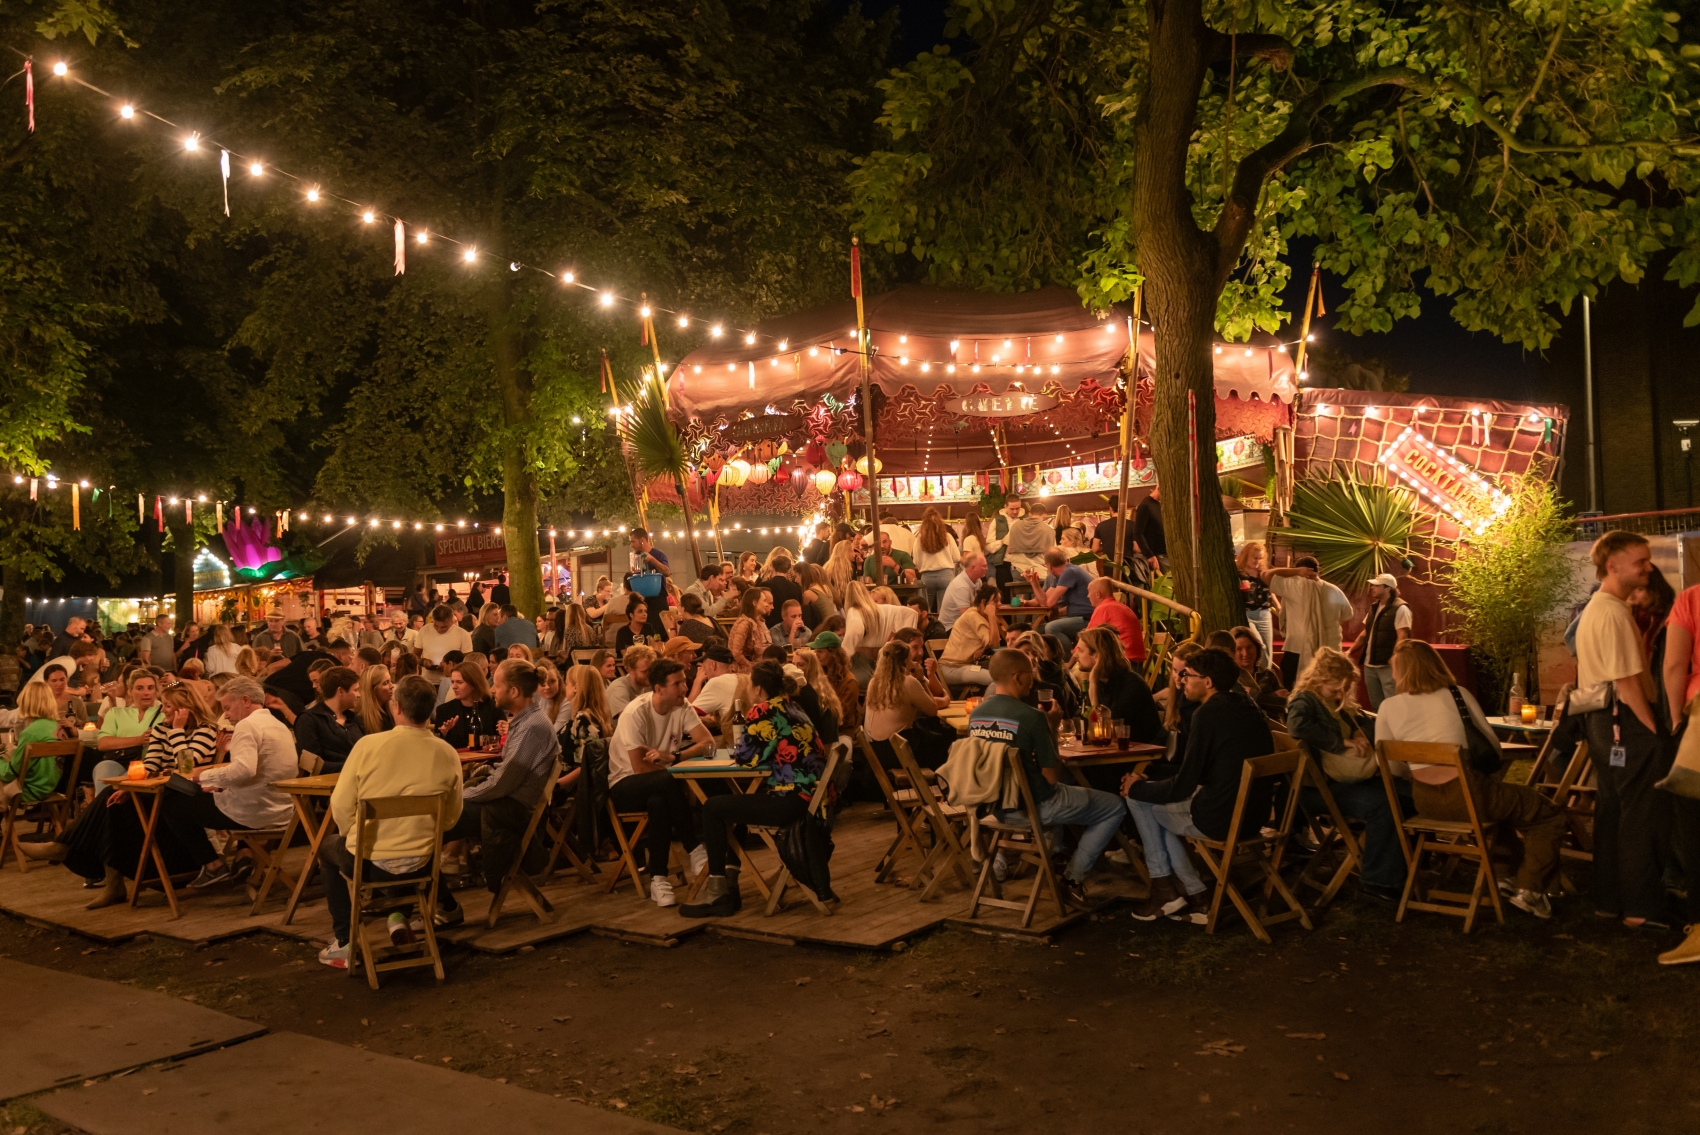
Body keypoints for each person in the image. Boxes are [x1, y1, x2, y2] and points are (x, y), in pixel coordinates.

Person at [1377, 639, 1565, 917]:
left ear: (1401, 672)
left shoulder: (1388, 707)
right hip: (1471, 796)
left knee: (1497, 810)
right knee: (1548, 814)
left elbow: (1391, 768)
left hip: (1425, 803)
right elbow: (1492, 746)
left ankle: (1503, 877)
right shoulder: (1458, 695)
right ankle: (1531, 889)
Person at [314, 674, 464, 967]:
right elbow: (451, 817)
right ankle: (400, 918)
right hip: (422, 863)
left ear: (396, 707)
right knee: (406, 845)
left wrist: (352, 835)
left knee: (328, 848)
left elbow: (341, 805)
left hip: (369, 864)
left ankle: (345, 941)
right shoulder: (446, 752)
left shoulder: (368, 746)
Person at [1124, 646, 1271, 921]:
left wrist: (1136, 786)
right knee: (1154, 806)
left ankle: (1171, 891)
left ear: (1207, 682)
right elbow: (1202, 772)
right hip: (1255, 815)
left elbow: (1184, 785)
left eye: (1187, 675)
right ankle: (1194, 895)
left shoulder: (1208, 714)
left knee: (1144, 805)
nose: (1181, 680)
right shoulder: (1247, 706)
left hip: (1223, 818)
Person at [970, 648, 1126, 906]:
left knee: (1069, 799)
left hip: (995, 809)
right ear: (1018, 677)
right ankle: (1073, 879)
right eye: (1029, 674)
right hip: (1034, 807)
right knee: (1114, 806)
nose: (1033, 679)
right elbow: (1052, 777)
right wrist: (1052, 726)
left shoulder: (976, 716)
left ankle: (1056, 855)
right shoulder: (1032, 718)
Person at [681, 660, 834, 917]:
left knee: (713, 807)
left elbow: (746, 757)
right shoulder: (793, 706)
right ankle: (729, 879)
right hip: (815, 801)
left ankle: (718, 890)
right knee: (735, 805)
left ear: (759, 688)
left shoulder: (763, 711)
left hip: (791, 800)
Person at [1574, 530, 1671, 930]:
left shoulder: (1599, 608)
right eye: (1641, 561)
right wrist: (1656, 732)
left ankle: (1608, 900)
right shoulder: (1612, 612)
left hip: (1601, 721)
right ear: (1612, 565)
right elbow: (1628, 682)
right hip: (1623, 721)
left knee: (1612, 811)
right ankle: (1640, 910)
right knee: (1639, 815)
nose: (1648, 567)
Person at [1285, 646, 1407, 903]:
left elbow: (1365, 720)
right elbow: (1297, 726)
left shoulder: (1338, 701)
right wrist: (1341, 742)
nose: (1340, 694)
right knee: (1385, 804)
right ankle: (1376, 882)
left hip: (1347, 779)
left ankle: (1404, 865)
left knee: (1406, 792)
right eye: (1335, 689)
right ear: (1318, 680)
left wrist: (1361, 733)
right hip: (1320, 787)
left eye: (1344, 690)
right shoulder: (1305, 700)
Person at [607, 658, 713, 907]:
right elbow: (639, 767)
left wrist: (675, 757)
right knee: (668, 781)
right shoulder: (636, 713)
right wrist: (671, 768)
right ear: (658, 688)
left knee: (659, 803)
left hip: (662, 785)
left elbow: (708, 744)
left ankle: (659, 879)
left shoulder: (681, 705)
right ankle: (694, 847)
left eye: (685, 682)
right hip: (625, 784)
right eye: (678, 683)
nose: (685, 688)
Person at [176, 678, 298, 889]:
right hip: (284, 809)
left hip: (255, 812)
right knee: (209, 793)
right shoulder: (279, 725)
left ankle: (213, 866)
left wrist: (201, 776)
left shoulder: (246, 725)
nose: (226, 715)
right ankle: (244, 854)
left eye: (228, 708)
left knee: (173, 800)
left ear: (246, 700)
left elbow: (244, 769)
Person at [1264, 556, 1354, 688]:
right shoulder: (1334, 590)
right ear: (1318, 571)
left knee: (1295, 691)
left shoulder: (1294, 586)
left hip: (1297, 649)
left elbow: (1266, 574)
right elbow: (1347, 615)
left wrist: (1295, 572)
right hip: (1330, 651)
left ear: (1300, 571)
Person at [864, 641, 953, 769]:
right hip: (899, 751)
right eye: (910, 660)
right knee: (944, 742)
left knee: (929, 736)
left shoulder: (874, 682)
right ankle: (941, 783)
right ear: (904, 662)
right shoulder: (908, 682)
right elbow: (932, 709)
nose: (914, 664)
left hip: (877, 750)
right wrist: (922, 679)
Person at [1074, 628, 1163, 744]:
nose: (1075, 655)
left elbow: (1104, 731)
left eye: (1080, 650)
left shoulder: (1132, 685)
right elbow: (1086, 725)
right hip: (1114, 752)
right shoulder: (1101, 682)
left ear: (1097, 655)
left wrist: (1093, 681)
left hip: (1140, 754)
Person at [1352, 572, 1412, 708]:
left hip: (1388, 666)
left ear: (1388, 588)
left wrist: (1396, 658)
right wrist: (1350, 651)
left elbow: (1403, 636)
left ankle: (1395, 729)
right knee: (1376, 705)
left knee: (1393, 704)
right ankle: (1379, 728)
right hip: (1370, 665)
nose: (1372, 588)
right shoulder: (1374, 607)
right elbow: (1365, 633)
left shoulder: (1401, 608)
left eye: (1377, 585)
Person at [1, 681, 64, 806]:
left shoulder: (30, 733)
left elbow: (10, 773)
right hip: (50, 786)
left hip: (28, 790)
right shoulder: (57, 726)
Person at [294, 666, 366, 773]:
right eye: (355, 690)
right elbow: (311, 765)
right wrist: (354, 766)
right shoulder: (309, 719)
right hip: (327, 785)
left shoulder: (354, 719)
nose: (359, 695)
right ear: (340, 691)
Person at [1024, 547, 1095, 648]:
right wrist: (1033, 582)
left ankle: (1067, 660)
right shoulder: (1060, 575)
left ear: (1048, 565)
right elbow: (1044, 602)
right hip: (1076, 617)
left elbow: (1049, 604)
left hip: (1087, 618)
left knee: (1052, 628)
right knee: (1036, 630)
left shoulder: (1070, 571)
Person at [938, 584, 1002, 693]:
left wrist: (983, 648)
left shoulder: (980, 614)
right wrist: (992, 615)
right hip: (952, 668)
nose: (999, 604)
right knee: (998, 680)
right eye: (995, 601)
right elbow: (995, 644)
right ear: (983, 602)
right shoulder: (973, 616)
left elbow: (1000, 639)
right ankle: (986, 709)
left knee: (1006, 673)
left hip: (966, 665)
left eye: (1000, 600)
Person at [431, 661, 500, 750]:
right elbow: (438, 748)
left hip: (486, 760)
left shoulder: (494, 708)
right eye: (453, 682)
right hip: (457, 761)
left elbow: (500, 741)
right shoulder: (444, 710)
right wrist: (444, 733)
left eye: (459, 682)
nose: (454, 687)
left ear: (474, 684)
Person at [912, 508, 962, 613]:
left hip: (927, 577)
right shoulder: (947, 537)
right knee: (944, 610)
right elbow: (957, 557)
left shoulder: (919, 540)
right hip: (946, 576)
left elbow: (916, 561)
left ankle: (927, 628)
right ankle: (942, 628)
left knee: (925, 609)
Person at [1084, 577, 1146, 662]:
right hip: (1135, 662)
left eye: (1089, 592)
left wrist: (1070, 662)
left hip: (1122, 662)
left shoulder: (1104, 608)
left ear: (1098, 594)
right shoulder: (1123, 607)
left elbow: (1086, 640)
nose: (1087, 596)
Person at [1232, 626, 1288, 717]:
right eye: (1239, 649)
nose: (1245, 653)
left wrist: (1254, 695)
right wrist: (1273, 697)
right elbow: (1242, 709)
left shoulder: (1268, 674)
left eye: (1249, 647)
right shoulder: (1232, 679)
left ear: (1256, 648)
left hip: (1278, 728)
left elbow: (1286, 704)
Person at [419, 605, 474, 683]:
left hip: (452, 682)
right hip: (427, 681)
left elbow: (468, 662)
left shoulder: (463, 634)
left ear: (452, 620)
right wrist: (424, 662)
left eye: (444, 627)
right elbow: (415, 657)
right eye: (436, 626)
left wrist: (450, 667)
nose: (439, 629)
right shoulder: (424, 630)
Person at [1004, 501, 1057, 579]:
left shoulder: (1015, 526)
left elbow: (1009, 551)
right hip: (1040, 573)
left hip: (1019, 571)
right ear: (1044, 516)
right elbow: (1052, 555)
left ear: (1029, 514)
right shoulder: (1049, 531)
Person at [938, 552, 989, 631]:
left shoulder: (978, 581)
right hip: (951, 628)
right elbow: (966, 617)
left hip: (963, 624)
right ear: (973, 568)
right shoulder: (961, 586)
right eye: (984, 566)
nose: (987, 568)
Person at [728, 588, 773, 674]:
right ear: (754, 603)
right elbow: (736, 652)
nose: (767, 605)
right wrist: (751, 667)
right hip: (743, 673)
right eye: (764, 601)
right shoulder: (744, 623)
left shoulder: (759, 621)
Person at [606, 644, 656, 716]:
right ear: (630, 670)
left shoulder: (648, 685)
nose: (650, 674)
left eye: (651, 670)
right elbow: (628, 720)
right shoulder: (619, 689)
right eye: (644, 671)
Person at [762, 555, 804, 628]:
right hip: (790, 627)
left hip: (769, 626)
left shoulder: (764, 585)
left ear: (772, 568)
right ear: (788, 570)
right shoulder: (796, 588)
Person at [1132, 487, 1166, 570]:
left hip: (1164, 554)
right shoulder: (1145, 505)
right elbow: (1138, 533)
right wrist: (1149, 555)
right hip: (1157, 555)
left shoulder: (1159, 505)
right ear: (1159, 488)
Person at [358, 664, 396, 735]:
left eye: (390, 681)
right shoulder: (360, 720)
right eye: (386, 683)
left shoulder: (390, 712)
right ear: (372, 690)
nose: (392, 686)